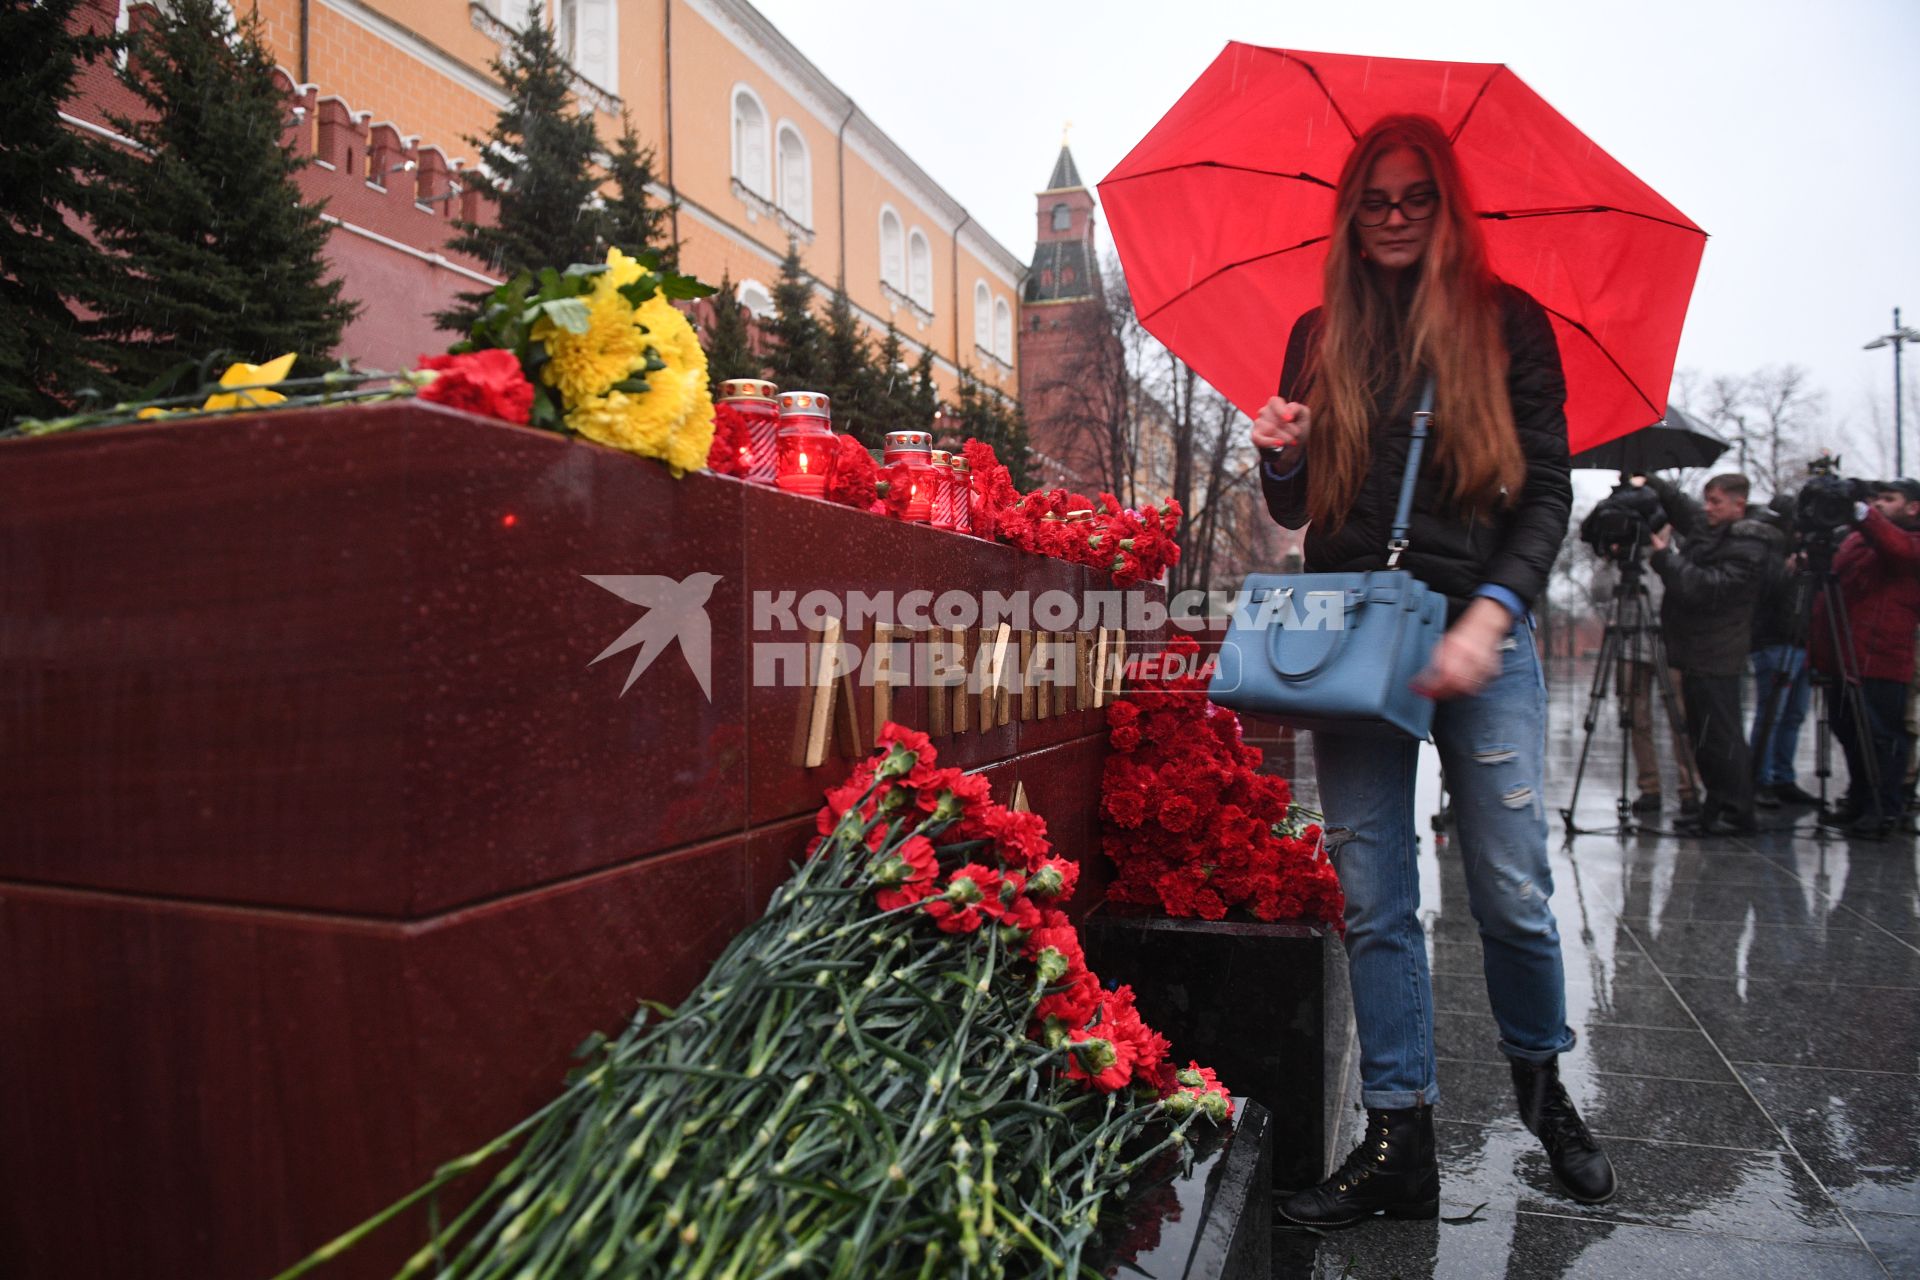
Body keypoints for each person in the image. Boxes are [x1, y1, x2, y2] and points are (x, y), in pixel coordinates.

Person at [1254, 114, 1612, 1226]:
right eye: (1376, 199)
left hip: (1477, 631)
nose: (1397, 216)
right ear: (1351, 213)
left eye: (1417, 198)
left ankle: (1544, 1090)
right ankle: (1400, 1135)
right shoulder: (1319, 333)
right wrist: (1281, 455)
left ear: (1447, 208)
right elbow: (1295, 509)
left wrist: (1494, 611)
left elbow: (1546, 490)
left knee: (1510, 887)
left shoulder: (1508, 326)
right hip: (1354, 634)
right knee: (1373, 893)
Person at [1644, 474, 1778, 834]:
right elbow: (1686, 510)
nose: (1708, 508)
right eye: (1707, 500)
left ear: (1739, 503)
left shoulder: (1749, 542)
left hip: (1717, 653)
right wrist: (1653, 481)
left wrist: (1664, 559)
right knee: (1706, 738)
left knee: (1721, 737)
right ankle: (1717, 806)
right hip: (1698, 650)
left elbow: (1706, 589)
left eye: (1716, 501)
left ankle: (1736, 812)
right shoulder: (1720, 530)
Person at [1809, 479, 1920, 835]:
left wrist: (1861, 512)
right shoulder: (1860, 537)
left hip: (1882, 658)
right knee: (1851, 733)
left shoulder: (1907, 540)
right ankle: (1858, 800)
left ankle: (1884, 808)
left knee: (1881, 737)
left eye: (1890, 499)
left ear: (1913, 507)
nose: (1881, 505)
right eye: (1877, 499)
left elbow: (1899, 550)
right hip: (1845, 654)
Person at [1747, 496, 1818, 808]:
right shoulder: (1766, 549)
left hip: (1802, 642)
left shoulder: (1805, 553)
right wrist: (1785, 571)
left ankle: (1782, 777)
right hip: (1773, 642)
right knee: (1771, 715)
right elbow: (1758, 595)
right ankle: (1759, 779)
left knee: (1794, 715)